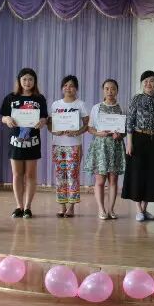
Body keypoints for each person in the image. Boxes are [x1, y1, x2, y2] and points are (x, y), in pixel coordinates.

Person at [0, 67, 48, 219]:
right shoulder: (11, 97)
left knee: (30, 175)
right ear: (19, 81)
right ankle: (18, 206)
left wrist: (42, 121)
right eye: (24, 79)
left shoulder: (40, 98)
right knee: (17, 175)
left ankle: (27, 207)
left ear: (35, 81)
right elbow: (3, 117)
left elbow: (44, 117)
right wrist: (7, 119)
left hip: (32, 141)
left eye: (30, 79)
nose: (27, 82)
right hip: (15, 142)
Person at [122, 70, 154, 222]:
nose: (148, 83)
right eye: (145, 81)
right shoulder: (136, 98)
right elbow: (130, 121)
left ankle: (145, 209)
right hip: (138, 138)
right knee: (137, 173)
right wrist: (129, 143)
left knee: (151, 174)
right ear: (142, 83)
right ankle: (138, 210)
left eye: (152, 80)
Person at [84, 79, 126, 220]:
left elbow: (125, 130)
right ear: (103, 90)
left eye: (113, 88)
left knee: (113, 180)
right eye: (107, 88)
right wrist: (98, 133)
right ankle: (101, 209)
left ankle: (111, 209)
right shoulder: (97, 108)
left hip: (115, 147)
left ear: (117, 91)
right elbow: (90, 128)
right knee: (100, 181)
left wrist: (120, 135)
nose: (110, 91)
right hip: (100, 147)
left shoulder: (121, 108)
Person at [48, 75, 89, 218]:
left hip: (74, 145)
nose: (68, 88)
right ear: (62, 88)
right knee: (60, 176)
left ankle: (71, 207)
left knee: (73, 175)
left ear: (76, 88)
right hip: (57, 145)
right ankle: (62, 206)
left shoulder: (80, 104)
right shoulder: (55, 104)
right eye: (65, 85)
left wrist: (77, 132)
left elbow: (87, 124)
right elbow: (49, 124)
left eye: (71, 86)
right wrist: (55, 131)